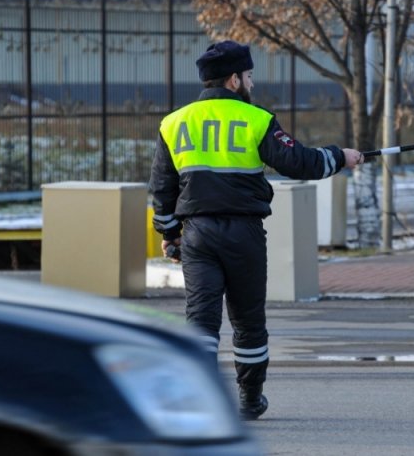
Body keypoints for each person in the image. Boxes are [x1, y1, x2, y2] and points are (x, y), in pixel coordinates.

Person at [148, 40, 363, 420]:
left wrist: (169, 234)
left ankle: (198, 398)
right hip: (243, 234)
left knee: (200, 320)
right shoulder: (256, 119)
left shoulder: (173, 123)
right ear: (233, 80)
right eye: (248, 76)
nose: (252, 83)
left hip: (197, 234)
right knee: (247, 319)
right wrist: (339, 157)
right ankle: (250, 399)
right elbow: (298, 161)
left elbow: (162, 188)